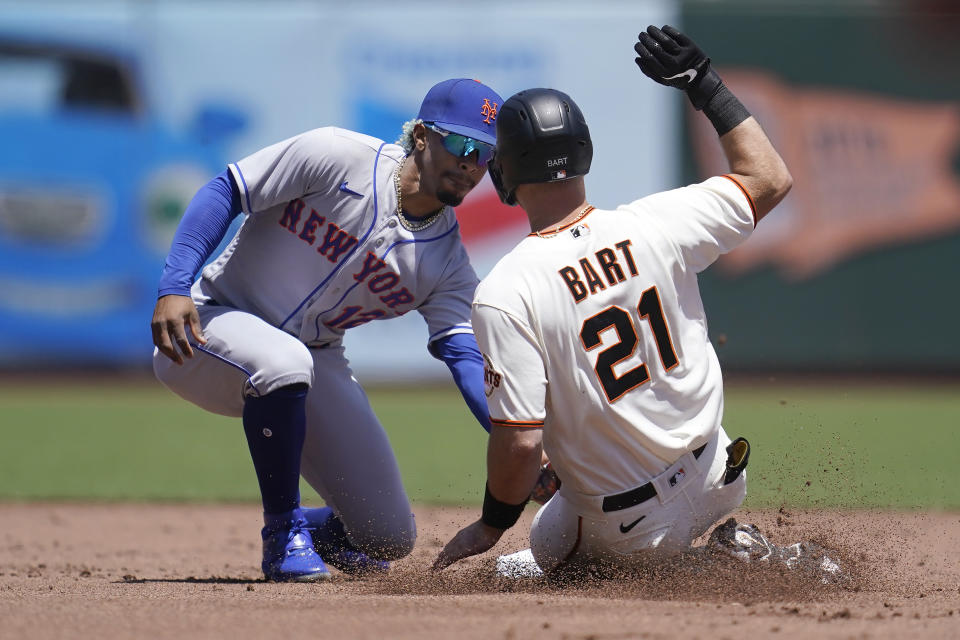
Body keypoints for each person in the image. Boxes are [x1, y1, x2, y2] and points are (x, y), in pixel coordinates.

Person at [433, 26, 825, 578]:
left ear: (503, 175)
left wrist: (491, 524)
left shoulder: (506, 290)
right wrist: (705, 84)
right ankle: (727, 551)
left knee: (540, 553)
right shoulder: (658, 223)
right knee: (582, 518)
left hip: (628, 527)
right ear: (584, 154)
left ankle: (708, 566)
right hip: (718, 472)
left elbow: (521, 443)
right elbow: (770, 177)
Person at [151, 78, 504, 581]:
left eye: (485, 153)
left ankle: (316, 533)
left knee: (388, 537)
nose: (473, 164)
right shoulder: (338, 156)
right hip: (208, 329)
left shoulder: (446, 263)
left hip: (313, 357)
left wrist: (517, 435)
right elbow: (225, 189)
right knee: (284, 362)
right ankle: (283, 534)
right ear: (423, 136)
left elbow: (468, 361)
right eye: (464, 144)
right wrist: (174, 285)